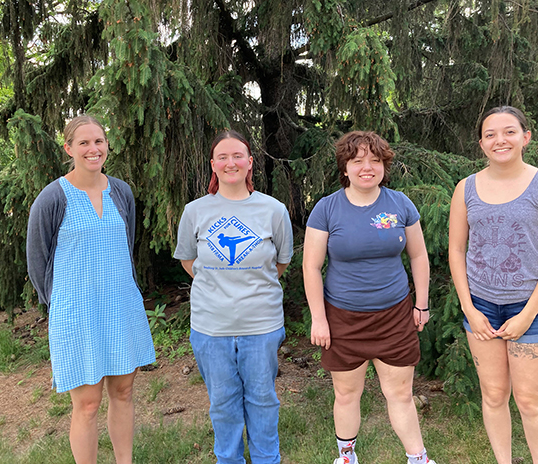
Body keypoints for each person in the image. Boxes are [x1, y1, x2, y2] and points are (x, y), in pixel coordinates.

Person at [26, 115, 156, 464]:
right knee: (86, 404)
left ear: (107, 145)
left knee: (124, 392)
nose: (92, 149)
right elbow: (38, 261)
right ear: (68, 148)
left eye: (98, 141)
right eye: (83, 143)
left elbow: (126, 247)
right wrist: (59, 304)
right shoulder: (53, 198)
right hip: (76, 312)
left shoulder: (122, 192)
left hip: (120, 305)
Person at [303, 131, 437, 464]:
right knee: (347, 395)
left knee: (401, 395)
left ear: (384, 165)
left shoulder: (400, 204)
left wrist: (421, 303)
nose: (367, 167)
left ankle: (418, 459)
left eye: (375, 160)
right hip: (343, 319)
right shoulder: (326, 209)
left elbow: (419, 256)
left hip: (394, 317)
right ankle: (346, 457)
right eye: (358, 160)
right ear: (345, 167)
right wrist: (319, 319)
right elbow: (311, 266)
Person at [448, 106, 538, 464]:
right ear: (481, 144)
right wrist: (469, 308)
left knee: (530, 400)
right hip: (481, 307)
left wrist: (527, 315)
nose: (499, 139)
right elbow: (456, 251)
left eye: (509, 132)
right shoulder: (465, 188)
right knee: (494, 393)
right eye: (490, 134)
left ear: (525, 137)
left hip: (531, 307)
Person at [173, 130, 293, 464]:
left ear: (250, 162)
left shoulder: (273, 210)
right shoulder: (195, 212)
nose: (231, 163)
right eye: (222, 157)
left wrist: (250, 283)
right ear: (213, 164)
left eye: (238, 156)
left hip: (262, 325)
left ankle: (267, 459)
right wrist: (217, 282)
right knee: (222, 403)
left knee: (263, 399)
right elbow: (187, 260)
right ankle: (228, 459)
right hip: (211, 328)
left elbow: (280, 262)